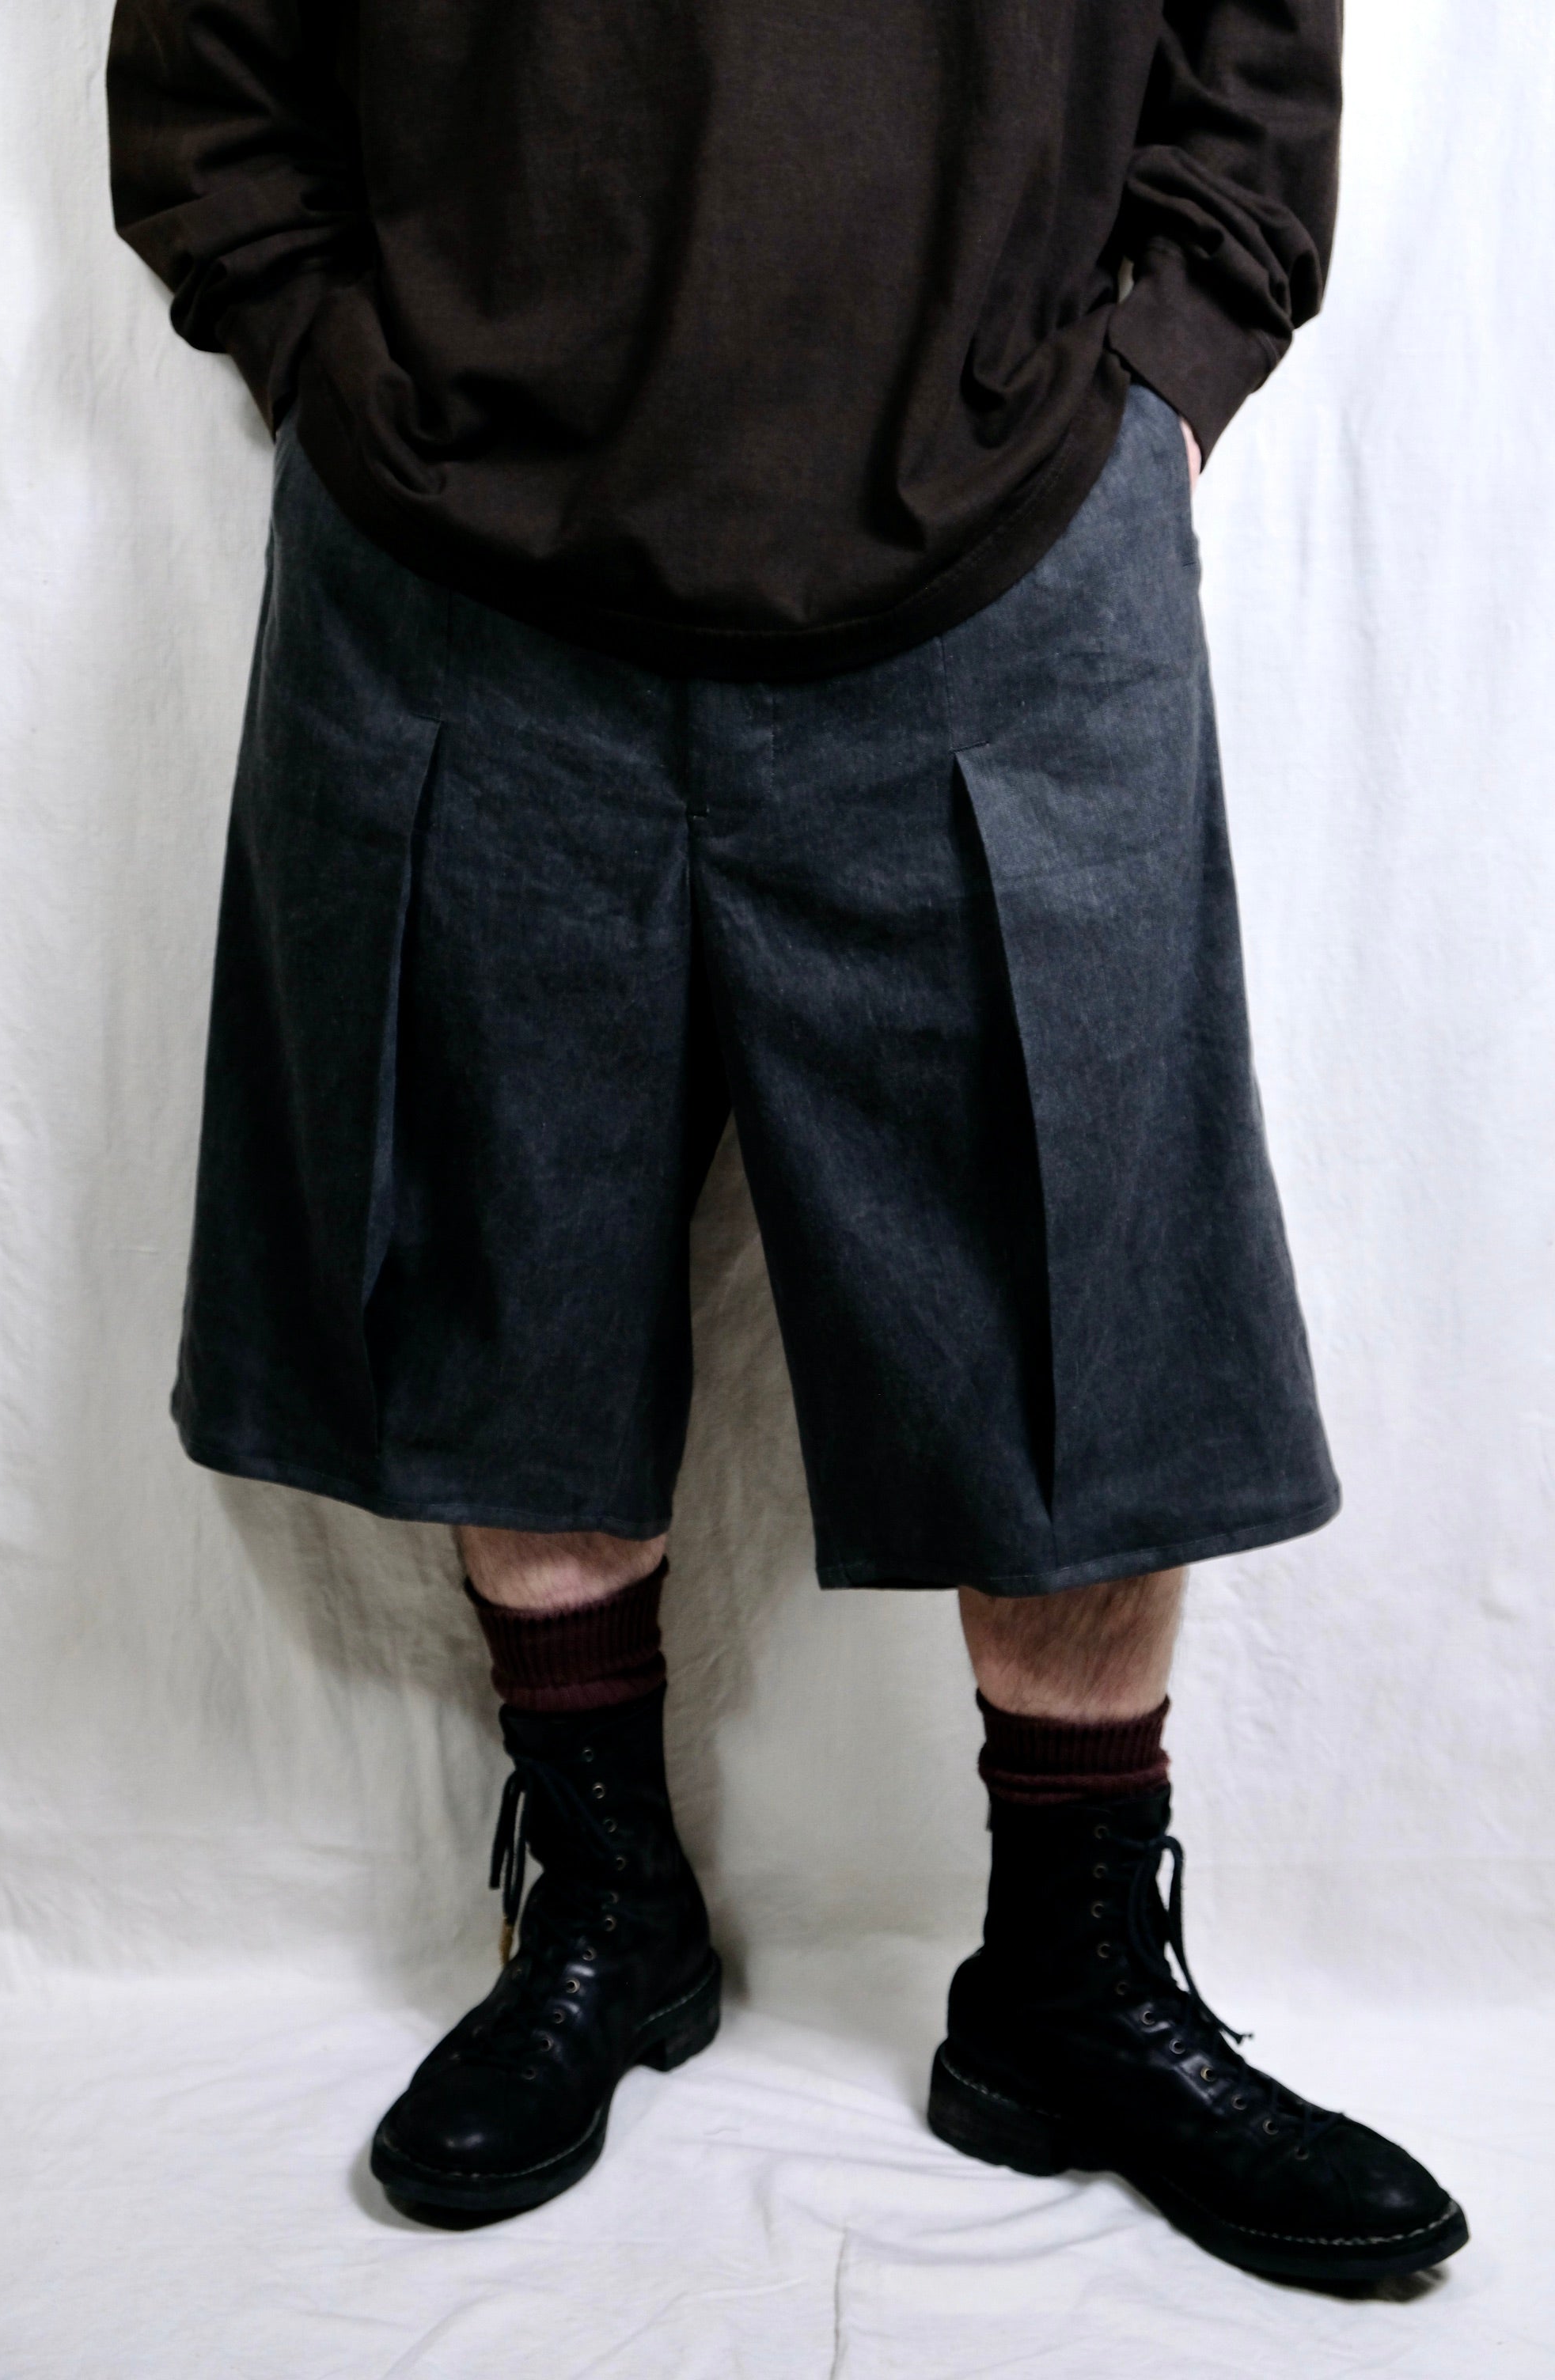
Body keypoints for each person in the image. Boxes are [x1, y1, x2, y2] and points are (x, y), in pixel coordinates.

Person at [106, 0, 1466, 2285]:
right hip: (456, 533)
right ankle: (605, 1911)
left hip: (1009, 518)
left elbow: (1249, 44)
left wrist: (1164, 370)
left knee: (1082, 1279)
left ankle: (1072, 1980)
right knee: (500, 1247)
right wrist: (324, 352)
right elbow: (211, 64)